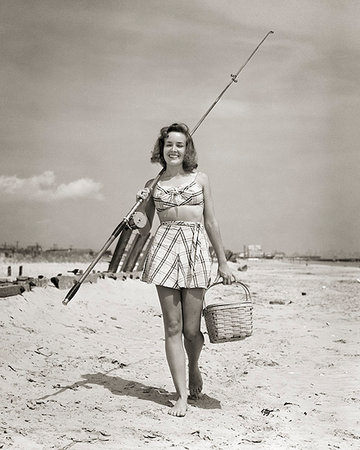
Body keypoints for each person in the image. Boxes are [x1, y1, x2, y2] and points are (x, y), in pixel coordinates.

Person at [136, 123, 234, 417]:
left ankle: (194, 366)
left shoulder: (200, 179)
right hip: (164, 248)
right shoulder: (153, 184)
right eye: (169, 145)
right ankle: (180, 395)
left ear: (187, 149)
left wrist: (223, 261)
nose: (174, 149)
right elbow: (143, 230)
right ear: (161, 149)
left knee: (192, 330)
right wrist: (139, 207)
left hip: (195, 249)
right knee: (172, 328)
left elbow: (211, 222)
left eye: (179, 145)